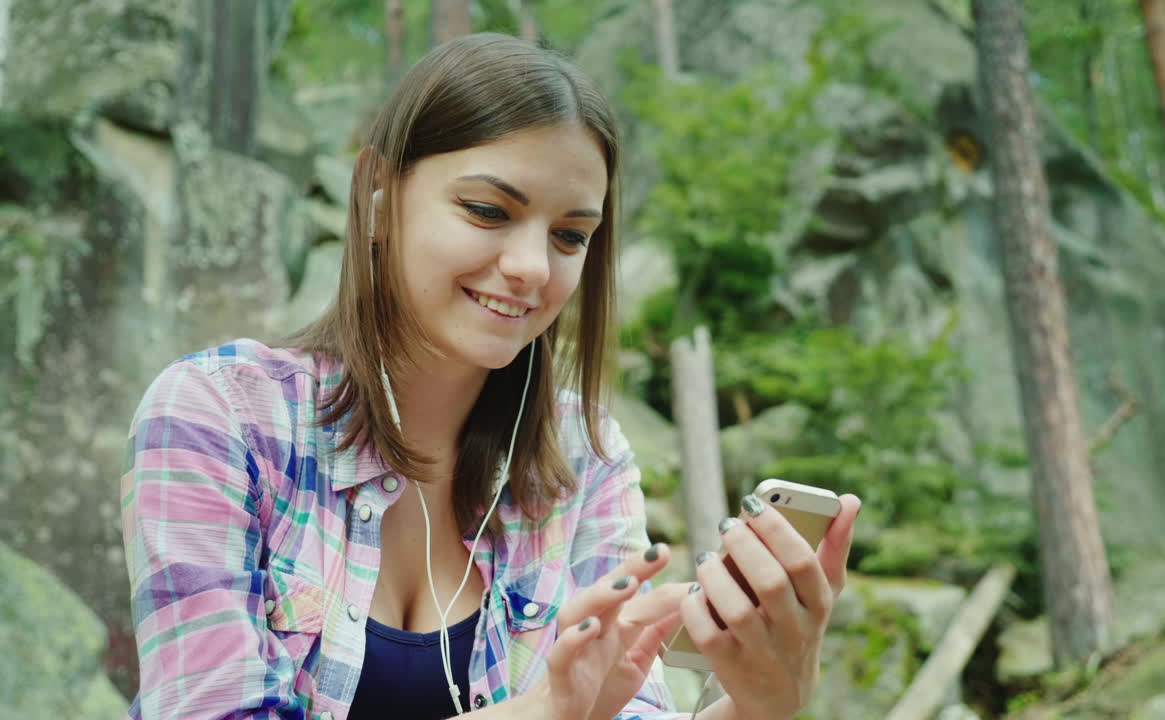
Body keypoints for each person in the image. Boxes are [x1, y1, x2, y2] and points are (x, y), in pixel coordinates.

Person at [120, 33, 860, 720]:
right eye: (486, 210)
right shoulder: (219, 417)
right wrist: (541, 712)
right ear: (377, 193)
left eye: (571, 235)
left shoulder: (584, 457)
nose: (533, 267)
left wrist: (758, 707)